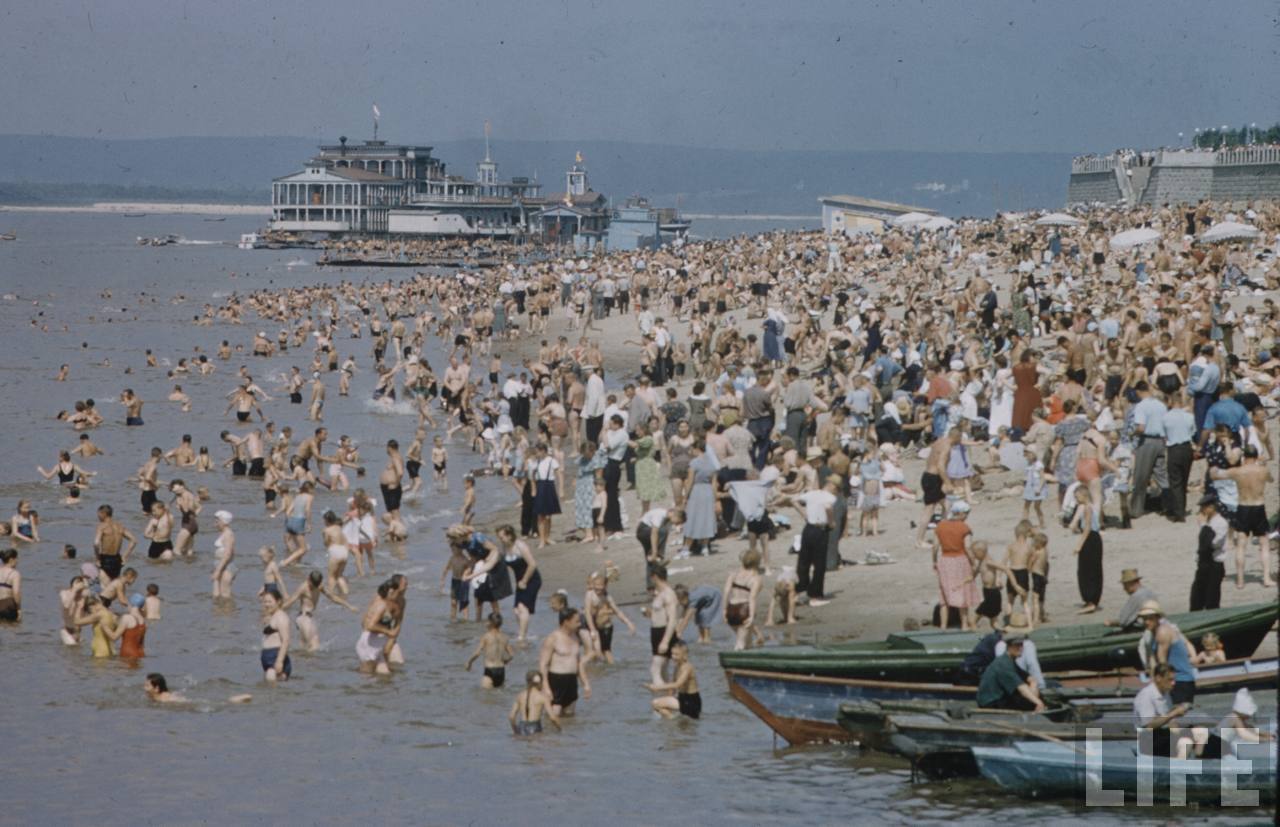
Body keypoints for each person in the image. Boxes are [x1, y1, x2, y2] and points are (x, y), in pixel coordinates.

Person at [1209, 446, 1274, 589]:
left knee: (1241, 545)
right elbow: (1271, 479)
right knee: (1264, 544)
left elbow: (1215, 475)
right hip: (1258, 507)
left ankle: (1240, 580)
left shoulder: (1237, 471)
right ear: (1256, 456)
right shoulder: (1262, 470)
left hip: (1243, 507)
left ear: (1244, 457)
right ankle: (1266, 578)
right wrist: (1263, 465)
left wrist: (1213, 466)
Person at [1133, 664, 1199, 759]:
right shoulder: (1146, 696)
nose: (1173, 683)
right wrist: (1174, 713)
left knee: (1199, 732)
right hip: (1148, 740)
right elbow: (1149, 725)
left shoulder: (1165, 693)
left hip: (1163, 734)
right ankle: (1177, 772)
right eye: (1170, 679)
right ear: (1158, 678)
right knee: (1185, 742)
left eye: (1174, 679)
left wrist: (1178, 711)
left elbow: (1168, 718)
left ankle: (1199, 766)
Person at [1137, 600, 1197, 704]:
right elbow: (1152, 661)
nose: (1147, 622)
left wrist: (1159, 687)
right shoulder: (1151, 635)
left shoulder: (1163, 632)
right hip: (1171, 679)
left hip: (1180, 680)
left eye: (1150, 618)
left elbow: (1162, 664)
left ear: (1158, 618)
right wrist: (1153, 683)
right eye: (1145, 619)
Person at [281, 570, 357, 651]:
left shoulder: (319, 586)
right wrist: (275, 612)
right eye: (311, 584)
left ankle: (301, 662)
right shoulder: (303, 587)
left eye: (314, 585)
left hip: (309, 618)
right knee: (314, 645)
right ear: (308, 579)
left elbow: (333, 597)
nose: (312, 587)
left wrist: (349, 606)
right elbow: (291, 601)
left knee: (303, 648)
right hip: (303, 618)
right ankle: (312, 662)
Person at [932, 500, 979, 630]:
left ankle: (943, 625)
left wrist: (934, 561)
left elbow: (935, 547)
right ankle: (964, 624)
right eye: (967, 513)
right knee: (962, 591)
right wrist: (974, 563)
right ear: (962, 513)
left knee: (944, 593)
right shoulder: (964, 528)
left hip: (945, 560)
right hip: (960, 560)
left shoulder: (940, 526)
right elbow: (968, 547)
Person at [539, 607, 591, 717]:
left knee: (570, 716)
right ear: (566, 622)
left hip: (572, 681)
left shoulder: (576, 637)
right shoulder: (553, 638)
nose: (579, 624)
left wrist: (585, 684)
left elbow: (579, 663)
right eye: (576, 621)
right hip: (556, 681)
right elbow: (543, 665)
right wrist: (546, 688)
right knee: (554, 716)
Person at [976, 635, 1045, 711]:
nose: (1020, 648)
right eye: (1017, 645)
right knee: (1032, 700)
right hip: (991, 701)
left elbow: (1030, 678)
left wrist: (1033, 685)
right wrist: (1038, 702)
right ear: (1009, 647)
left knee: (1034, 698)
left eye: (1021, 645)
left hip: (1001, 698)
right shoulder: (1003, 664)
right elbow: (1021, 688)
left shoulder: (1010, 660)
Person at [497, 525, 541, 643]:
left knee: (522, 607)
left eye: (502, 537)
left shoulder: (520, 546)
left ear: (510, 535)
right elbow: (500, 561)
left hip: (531, 579)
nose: (500, 540)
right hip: (520, 581)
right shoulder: (504, 547)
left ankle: (521, 637)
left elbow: (532, 565)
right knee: (516, 610)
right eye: (499, 537)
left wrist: (524, 581)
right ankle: (524, 633)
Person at [1190, 495, 1229, 611]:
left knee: (1212, 599)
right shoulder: (1209, 522)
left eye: (1203, 507)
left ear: (1211, 507)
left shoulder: (1221, 523)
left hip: (1214, 564)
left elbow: (1212, 544)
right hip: (1203, 563)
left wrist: (1203, 526)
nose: (1202, 511)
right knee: (1196, 597)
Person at [644, 640, 702, 720]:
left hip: (691, 702)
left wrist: (657, 687)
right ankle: (673, 722)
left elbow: (678, 684)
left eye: (676, 654)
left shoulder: (687, 667)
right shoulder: (677, 667)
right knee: (658, 706)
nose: (673, 657)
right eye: (672, 654)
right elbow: (673, 687)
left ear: (685, 655)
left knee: (656, 703)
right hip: (682, 698)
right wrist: (669, 696)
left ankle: (673, 720)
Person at [721, 549, 762, 650]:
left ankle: (748, 664)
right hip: (744, 610)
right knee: (740, 644)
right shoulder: (756, 578)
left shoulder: (733, 575)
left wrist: (724, 610)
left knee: (748, 643)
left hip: (731, 609)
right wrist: (752, 616)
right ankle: (734, 664)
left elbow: (726, 592)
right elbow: (752, 598)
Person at [646, 564, 680, 683]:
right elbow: (659, 614)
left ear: (654, 577)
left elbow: (672, 619)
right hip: (656, 631)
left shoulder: (668, 594)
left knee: (655, 669)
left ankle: (659, 697)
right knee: (663, 669)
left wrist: (665, 641)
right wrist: (649, 614)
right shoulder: (659, 593)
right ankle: (667, 696)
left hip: (664, 632)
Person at [465, 612, 514, 688]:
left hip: (489, 670)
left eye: (487, 621)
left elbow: (477, 653)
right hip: (501, 670)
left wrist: (469, 662)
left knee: (486, 698)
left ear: (490, 623)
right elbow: (511, 655)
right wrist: (506, 661)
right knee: (498, 697)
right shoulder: (505, 637)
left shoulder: (486, 636)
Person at [509, 671, 560, 735]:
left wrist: (515, 730)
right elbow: (552, 718)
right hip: (535, 727)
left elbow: (511, 717)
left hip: (521, 727)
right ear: (540, 683)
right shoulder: (543, 697)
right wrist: (559, 729)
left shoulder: (520, 695)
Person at [259, 586, 292, 682]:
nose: (266, 604)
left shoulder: (281, 617)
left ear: (278, 602)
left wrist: (279, 661)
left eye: (270, 602)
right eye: (265, 602)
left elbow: (286, 640)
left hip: (275, 658)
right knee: (270, 691)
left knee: (270, 688)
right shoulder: (272, 616)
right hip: (268, 659)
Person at [211, 510, 236, 599]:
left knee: (225, 595)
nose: (216, 523)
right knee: (217, 595)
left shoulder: (228, 534)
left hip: (226, 567)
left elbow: (227, 554)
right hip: (220, 566)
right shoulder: (223, 533)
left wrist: (218, 570)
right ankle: (219, 612)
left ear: (224, 522)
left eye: (218, 521)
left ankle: (227, 611)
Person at [0, 549, 21, 622]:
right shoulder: (15, 574)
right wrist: (19, 609)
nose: (17, 561)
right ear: (11, 559)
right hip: (7, 606)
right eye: (16, 559)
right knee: (13, 627)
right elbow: (16, 592)